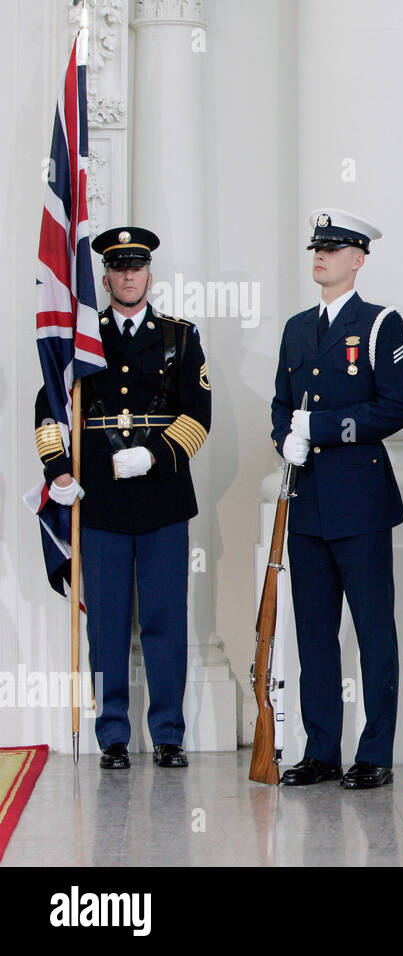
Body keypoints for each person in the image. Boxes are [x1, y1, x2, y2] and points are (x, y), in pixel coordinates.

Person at [35, 226, 210, 769]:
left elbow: (198, 417)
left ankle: (168, 734)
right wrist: (59, 471)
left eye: (137, 266)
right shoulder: (82, 339)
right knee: (106, 622)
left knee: (163, 620)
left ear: (149, 275)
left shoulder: (180, 337)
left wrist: (154, 455)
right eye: (118, 267)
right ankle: (111, 735)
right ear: (106, 276)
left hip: (161, 498)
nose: (128, 275)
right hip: (102, 500)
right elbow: (49, 407)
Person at [270, 208, 403, 789]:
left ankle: (375, 751)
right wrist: (286, 438)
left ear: (358, 259)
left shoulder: (381, 324)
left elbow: (396, 406)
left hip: (359, 499)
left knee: (375, 629)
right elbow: (282, 403)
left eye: (332, 250)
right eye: (316, 249)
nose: (320, 257)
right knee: (314, 633)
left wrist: (323, 428)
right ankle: (321, 749)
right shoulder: (297, 327)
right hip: (308, 501)